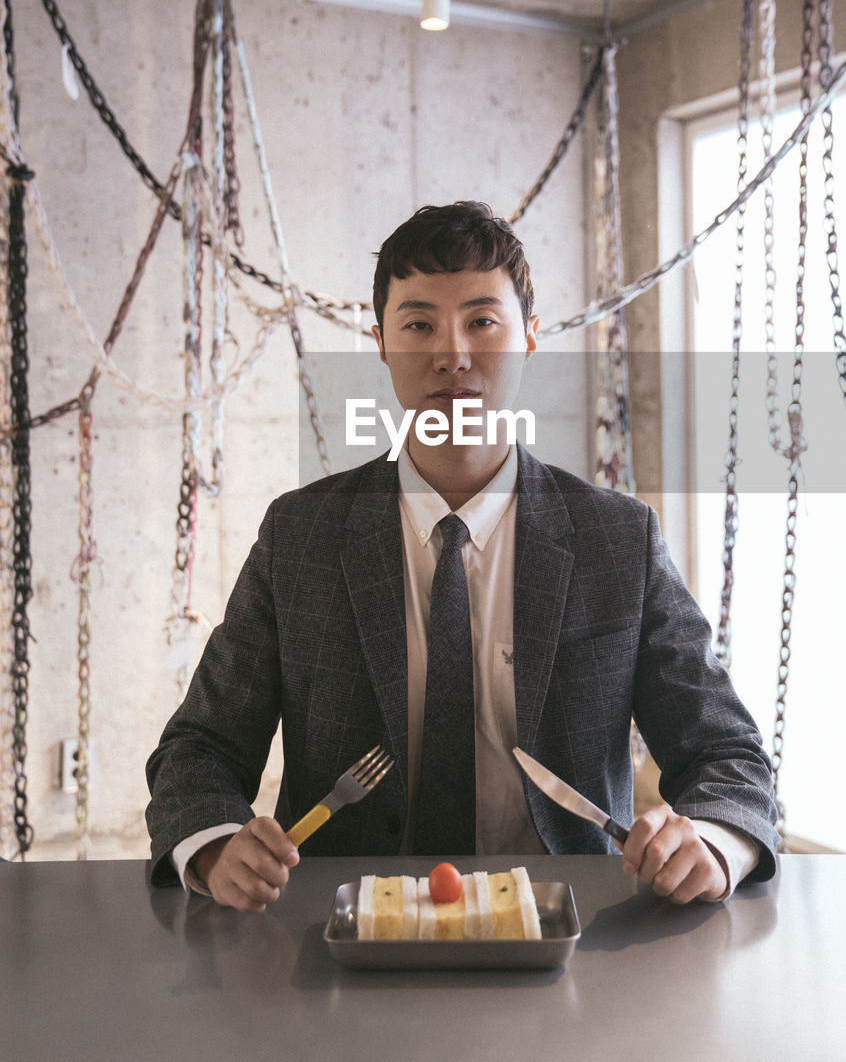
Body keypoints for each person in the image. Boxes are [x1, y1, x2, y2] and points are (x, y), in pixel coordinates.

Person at [146, 200, 778, 913]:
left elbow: (729, 757)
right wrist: (213, 845)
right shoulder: (302, 536)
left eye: (482, 321)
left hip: (569, 933)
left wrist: (712, 843)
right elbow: (198, 749)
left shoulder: (615, 538)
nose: (452, 355)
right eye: (418, 324)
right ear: (380, 340)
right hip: (337, 936)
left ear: (530, 338)